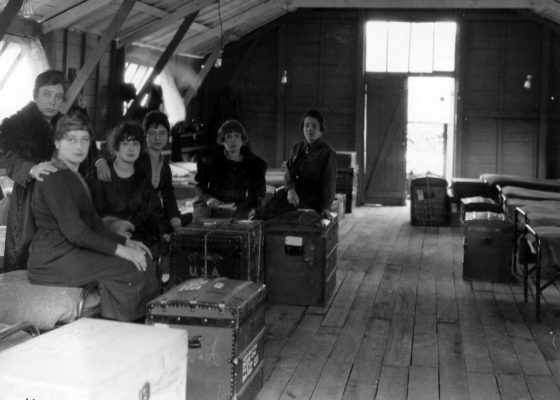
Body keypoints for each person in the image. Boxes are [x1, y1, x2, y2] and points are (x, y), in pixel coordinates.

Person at [27, 111, 159, 321]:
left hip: (70, 251)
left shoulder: (73, 175)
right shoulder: (53, 177)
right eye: (71, 140)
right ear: (57, 142)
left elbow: (95, 225)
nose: (79, 147)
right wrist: (121, 251)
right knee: (129, 268)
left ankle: (141, 326)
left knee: (143, 262)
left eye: (84, 140)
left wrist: (127, 243)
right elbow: (77, 233)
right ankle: (117, 331)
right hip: (52, 259)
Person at [0, 70, 66, 270]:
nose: (52, 102)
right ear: (35, 95)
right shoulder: (15, 125)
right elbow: (4, 157)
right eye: (47, 94)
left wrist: (100, 161)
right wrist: (29, 168)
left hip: (62, 202)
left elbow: (86, 151)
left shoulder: (68, 125)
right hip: (27, 202)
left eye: (58, 97)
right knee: (24, 258)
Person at [95, 111, 181, 232]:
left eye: (162, 133)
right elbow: (111, 156)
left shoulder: (165, 167)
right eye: (152, 133)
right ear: (144, 136)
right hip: (125, 215)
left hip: (149, 213)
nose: (157, 138)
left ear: (168, 136)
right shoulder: (136, 157)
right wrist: (99, 161)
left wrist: (176, 221)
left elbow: (169, 197)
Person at [89, 123, 167, 256]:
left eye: (135, 144)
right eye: (125, 144)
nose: (131, 149)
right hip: (106, 241)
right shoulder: (101, 176)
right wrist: (113, 232)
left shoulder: (142, 177)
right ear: (116, 147)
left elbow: (154, 214)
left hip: (138, 240)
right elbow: (90, 216)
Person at [262, 109, 336, 220]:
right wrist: (290, 190)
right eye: (306, 125)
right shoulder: (297, 148)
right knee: (270, 207)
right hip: (294, 192)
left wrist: (326, 207)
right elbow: (289, 174)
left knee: (295, 216)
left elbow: (329, 182)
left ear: (321, 130)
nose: (309, 129)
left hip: (314, 196)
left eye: (314, 126)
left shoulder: (327, 152)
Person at [193, 119, 267, 221]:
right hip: (214, 203)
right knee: (201, 221)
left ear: (243, 139)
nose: (233, 140)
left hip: (239, 205)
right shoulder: (210, 161)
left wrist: (241, 205)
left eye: (237, 136)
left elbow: (258, 193)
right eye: (228, 136)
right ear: (223, 140)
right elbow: (200, 185)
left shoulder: (254, 164)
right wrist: (208, 199)